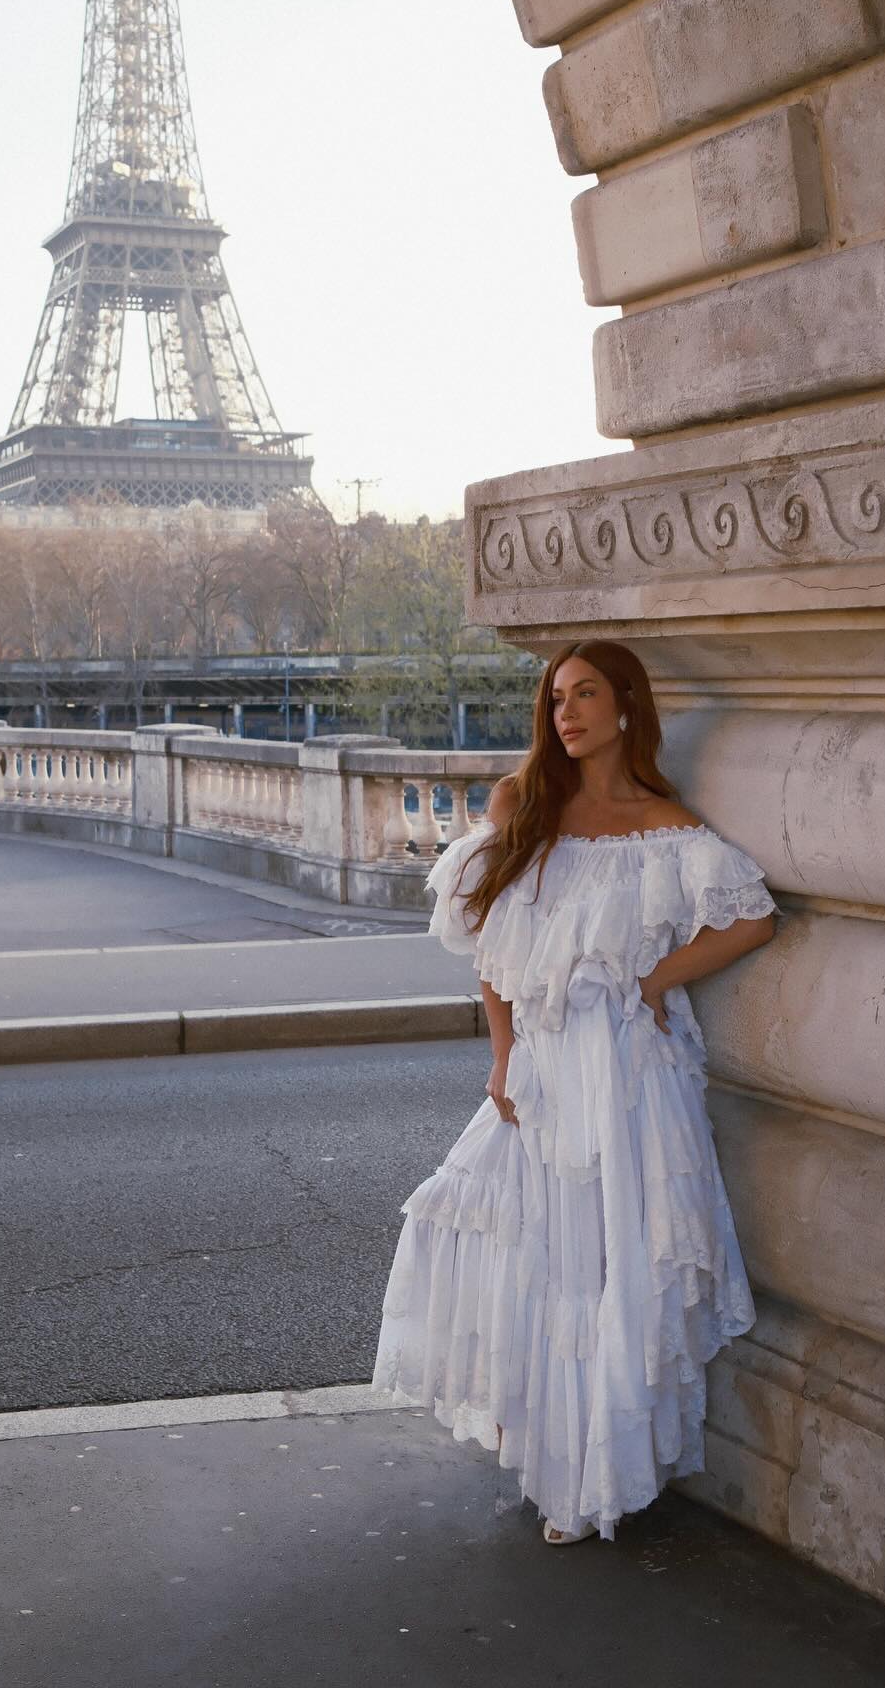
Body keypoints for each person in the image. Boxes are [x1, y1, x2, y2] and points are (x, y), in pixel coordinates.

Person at [369, 638, 778, 1544]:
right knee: (540, 1246)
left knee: (616, 1254)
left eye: (586, 695)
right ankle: (551, 1442)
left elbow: (752, 918)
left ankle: (601, 1471)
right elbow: (489, 940)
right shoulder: (524, 805)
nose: (567, 714)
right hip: (547, 1066)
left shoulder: (661, 824)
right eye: (556, 699)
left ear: (627, 706)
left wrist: (650, 980)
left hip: (631, 1072)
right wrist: (504, 1054)